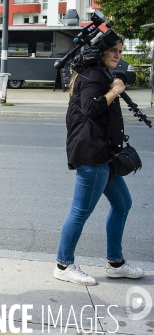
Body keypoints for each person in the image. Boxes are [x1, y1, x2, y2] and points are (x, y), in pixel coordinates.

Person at [54, 39, 144, 286]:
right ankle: (63, 264)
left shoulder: (100, 73)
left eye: (120, 51)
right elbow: (91, 108)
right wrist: (115, 90)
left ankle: (115, 263)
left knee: (123, 204)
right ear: (100, 52)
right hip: (91, 153)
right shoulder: (93, 75)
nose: (117, 55)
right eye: (113, 51)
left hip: (104, 153)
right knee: (80, 212)